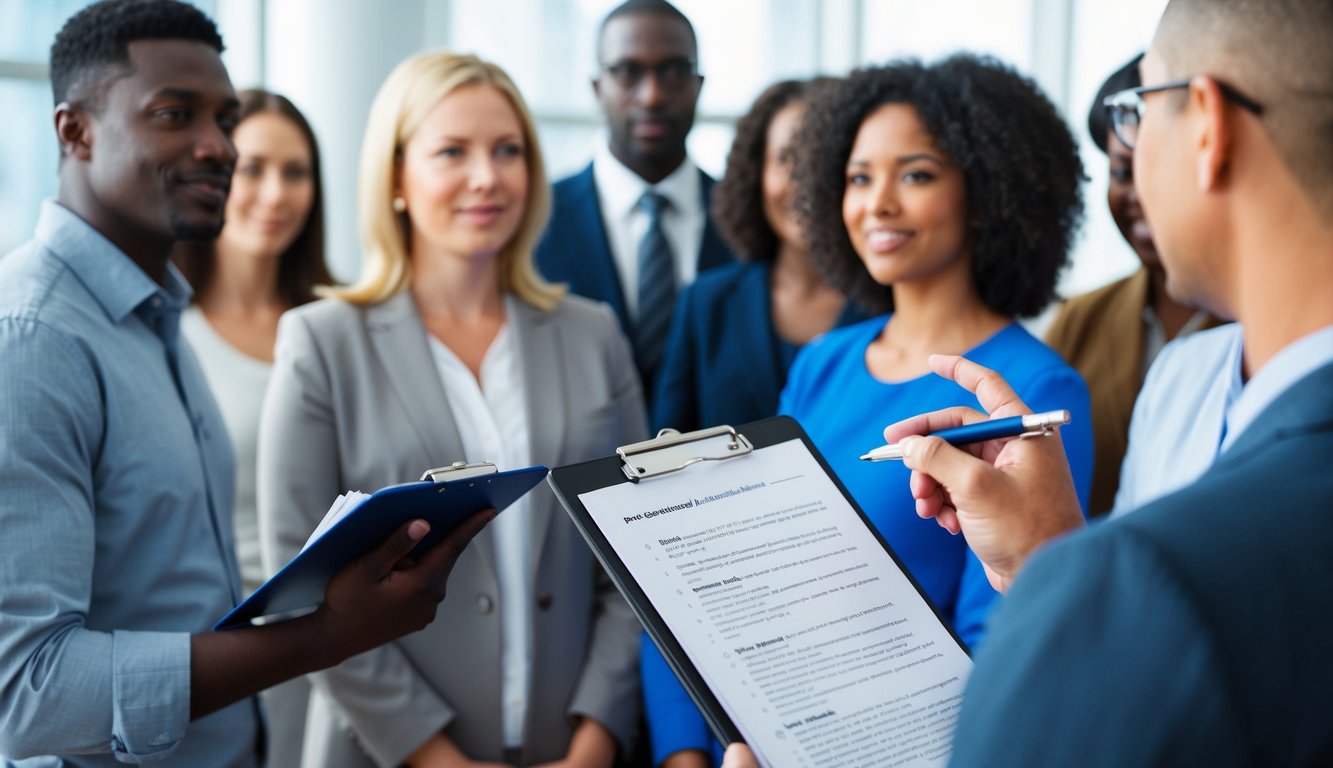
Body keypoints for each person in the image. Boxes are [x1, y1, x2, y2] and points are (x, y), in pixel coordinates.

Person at [725, 0, 1333, 764]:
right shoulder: (1182, 378)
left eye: (1135, 113)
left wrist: (1057, 581)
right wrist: (1038, 566)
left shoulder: (1143, 563)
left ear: (1205, 126)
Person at [0, 2, 490, 766]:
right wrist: (327, 637)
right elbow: (28, 695)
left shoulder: (154, 318)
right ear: (75, 131)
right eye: (174, 114)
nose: (217, 146)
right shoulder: (33, 341)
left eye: (224, 118)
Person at [257, 51, 646, 768]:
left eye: (507, 151)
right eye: (451, 152)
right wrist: (436, 760)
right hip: (382, 754)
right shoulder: (321, 343)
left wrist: (594, 740)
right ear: (396, 176)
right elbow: (299, 586)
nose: (486, 177)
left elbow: (636, 554)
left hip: (570, 746)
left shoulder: (592, 334)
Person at [778, 56, 1093, 647]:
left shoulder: (1037, 387)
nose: (878, 204)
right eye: (859, 177)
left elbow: (999, 635)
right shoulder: (822, 361)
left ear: (984, 194)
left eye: (916, 175)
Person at [641, 76, 868, 768]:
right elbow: (649, 502)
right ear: (753, 173)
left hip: (846, 655)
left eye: (826, 160)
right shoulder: (706, 303)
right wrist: (681, 748)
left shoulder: (896, 313)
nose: (803, 183)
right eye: (785, 160)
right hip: (713, 635)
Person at [171, 87, 333, 768]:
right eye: (253, 167)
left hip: (339, 647)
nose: (274, 194)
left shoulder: (342, 327)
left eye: (295, 172)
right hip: (214, 655)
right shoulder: (170, 335)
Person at [1044, 53, 1226, 517]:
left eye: (1163, 168)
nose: (1143, 195)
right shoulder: (1079, 320)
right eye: (1123, 172)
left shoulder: (1261, 326)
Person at [534, 0, 733, 402]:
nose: (653, 96)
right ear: (597, 87)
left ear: (699, 84)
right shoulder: (537, 219)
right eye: (627, 72)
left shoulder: (746, 218)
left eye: (675, 72)